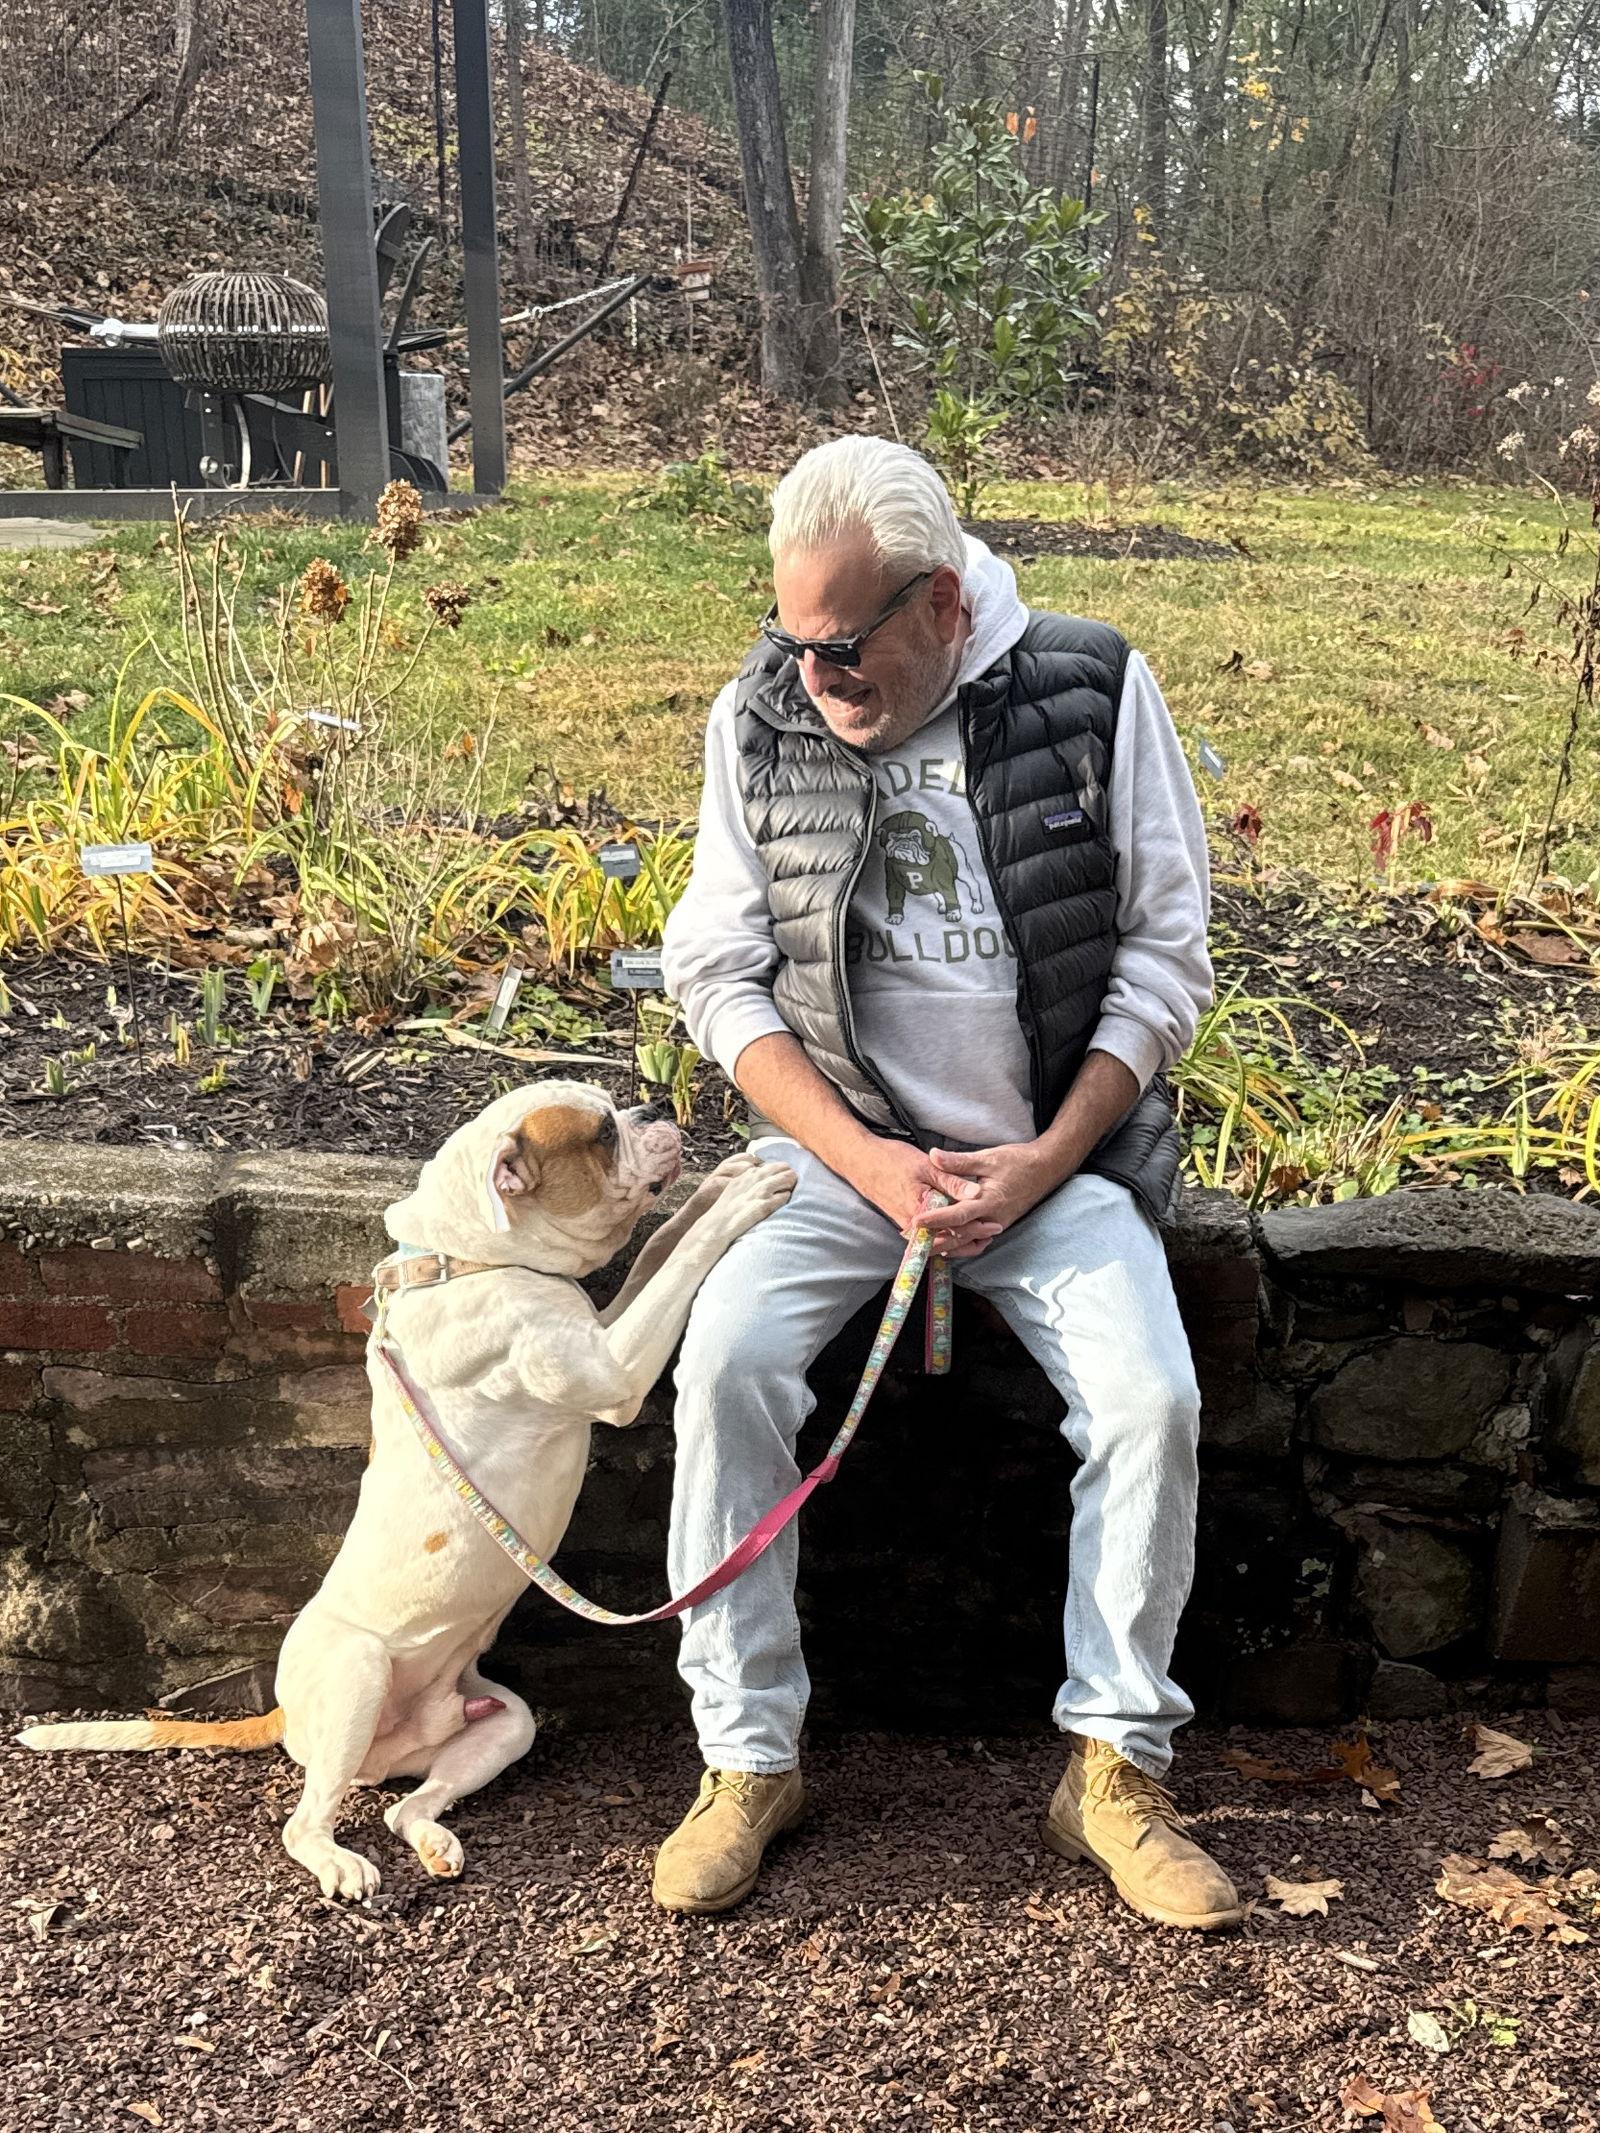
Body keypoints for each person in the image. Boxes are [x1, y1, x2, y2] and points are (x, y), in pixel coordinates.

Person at [655, 435, 1239, 1931]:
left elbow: (1170, 959)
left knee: (1152, 1403)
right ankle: (748, 1756)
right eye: (794, 639)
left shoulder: (1096, 688)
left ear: (945, 608)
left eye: (846, 647)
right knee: (721, 1363)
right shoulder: (761, 712)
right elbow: (715, 975)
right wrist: (865, 1161)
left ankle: (1113, 1763)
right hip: (841, 1156)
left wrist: (1045, 1157)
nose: (814, 676)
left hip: (1053, 1159)